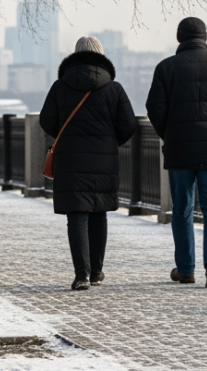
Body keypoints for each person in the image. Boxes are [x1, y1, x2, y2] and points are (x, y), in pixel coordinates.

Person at [146, 17, 207, 288]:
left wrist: (170, 134)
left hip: (179, 149)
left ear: (179, 38)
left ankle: (186, 269)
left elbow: (154, 108)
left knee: (182, 209)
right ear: (205, 37)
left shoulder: (166, 67)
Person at [40, 36, 139, 291]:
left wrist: (66, 137)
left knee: (76, 215)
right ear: (101, 56)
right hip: (103, 161)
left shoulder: (60, 86)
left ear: (75, 56)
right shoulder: (114, 88)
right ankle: (96, 272)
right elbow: (129, 124)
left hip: (70, 159)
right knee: (99, 213)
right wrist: (109, 142)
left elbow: (46, 120)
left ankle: (81, 275)